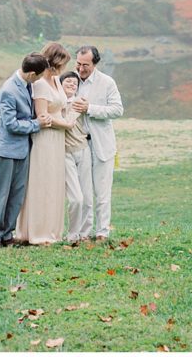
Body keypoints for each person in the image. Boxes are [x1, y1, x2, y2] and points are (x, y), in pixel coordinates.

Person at [0, 52, 51, 248]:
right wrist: (37, 124)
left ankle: (8, 233)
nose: (40, 80)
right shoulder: (8, 90)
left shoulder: (28, 85)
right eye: (39, 76)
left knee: (17, 194)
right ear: (32, 73)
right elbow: (11, 125)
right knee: (2, 194)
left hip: (23, 150)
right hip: (6, 150)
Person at [15, 42, 72, 245]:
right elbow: (42, 115)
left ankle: (52, 229)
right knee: (42, 183)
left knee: (54, 183)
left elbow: (62, 104)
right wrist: (65, 124)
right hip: (45, 138)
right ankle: (37, 231)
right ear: (54, 62)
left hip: (57, 140)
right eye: (62, 63)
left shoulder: (56, 80)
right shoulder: (39, 84)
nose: (64, 68)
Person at [71, 45, 123, 242]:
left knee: (102, 192)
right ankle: (84, 232)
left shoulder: (107, 82)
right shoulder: (71, 80)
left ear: (95, 63)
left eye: (85, 65)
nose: (81, 69)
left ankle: (102, 232)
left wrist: (89, 108)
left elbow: (117, 110)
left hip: (102, 144)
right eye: (78, 64)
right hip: (79, 145)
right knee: (84, 193)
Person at [60, 70, 91, 244]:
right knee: (76, 198)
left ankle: (84, 233)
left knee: (86, 197)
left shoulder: (79, 102)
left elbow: (69, 122)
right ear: (60, 84)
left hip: (83, 150)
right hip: (65, 154)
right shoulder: (55, 103)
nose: (72, 85)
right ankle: (72, 234)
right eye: (68, 82)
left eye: (75, 83)